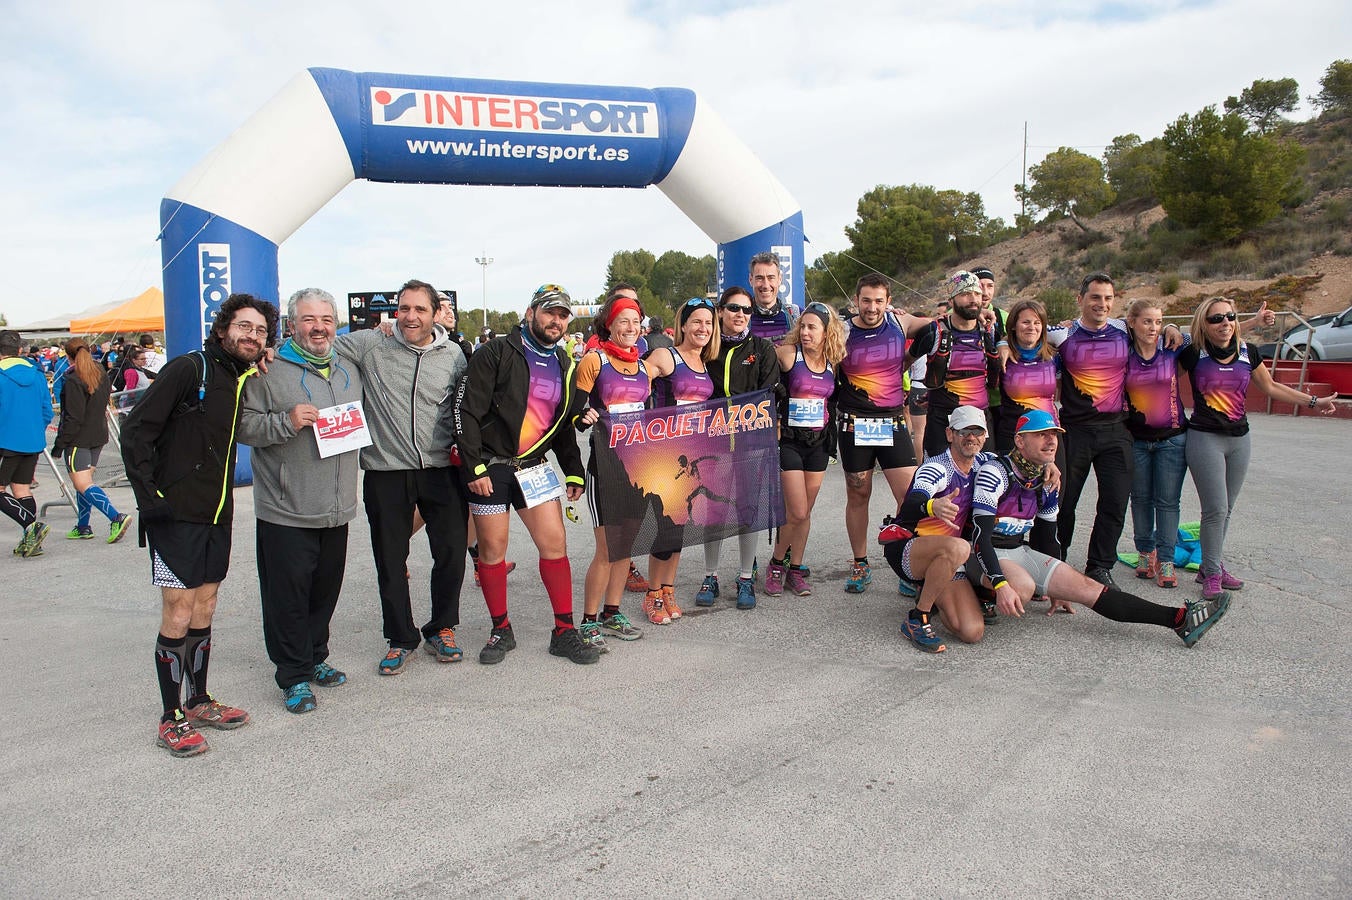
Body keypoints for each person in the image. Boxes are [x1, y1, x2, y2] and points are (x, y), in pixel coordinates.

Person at [120, 294, 275, 757]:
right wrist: (150, 500)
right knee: (179, 611)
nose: (252, 336)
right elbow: (136, 431)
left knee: (205, 607)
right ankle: (171, 719)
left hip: (217, 513)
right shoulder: (191, 368)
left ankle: (200, 699)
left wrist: (263, 357)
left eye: (261, 331)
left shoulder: (239, 373)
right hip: (175, 514)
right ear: (224, 327)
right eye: (244, 327)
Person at [967, 409, 1233, 648]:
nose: (1050, 441)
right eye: (1040, 435)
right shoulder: (996, 471)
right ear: (1020, 441)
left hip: (1016, 551)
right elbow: (980, 536)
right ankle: (980, 595)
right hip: (980, 552)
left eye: (1054, 435)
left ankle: (1178, 619)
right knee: (1023, 587)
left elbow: (1048, 538)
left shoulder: (1046, 479)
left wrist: (1053, 585)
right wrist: (1000, 584)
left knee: (1086, 587)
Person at [454, 284, 598, 665]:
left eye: (563, 315)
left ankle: (564, 632)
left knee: (555, 544)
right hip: (491, 468)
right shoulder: (496, 352)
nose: (556, 321)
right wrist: (474, 466)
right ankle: (501, 628)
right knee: (492, 551)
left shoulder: (565, 365)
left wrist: (574, 471)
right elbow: (467, 411)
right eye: (550, 312)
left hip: (534, 469)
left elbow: (562, 423)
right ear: (531, 311)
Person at [331, 278, 470, 676]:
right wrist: (273, 352)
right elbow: (318, 346)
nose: (410, 316)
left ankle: (442, 627)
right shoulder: (372, 344)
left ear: (434, 314)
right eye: (404, 309)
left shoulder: (454, 355)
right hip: (386, 470)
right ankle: (400, 637)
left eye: (419, 309)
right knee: (390, 559)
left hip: (440, 469)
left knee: (451, 552)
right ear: (395, 312)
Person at [239, 288, 361, 713]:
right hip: (286, 508)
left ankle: (315, 659)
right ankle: (292, 676)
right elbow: (244, 427)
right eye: (309, 320)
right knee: (286, 597)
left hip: (337, 506)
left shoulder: (347, 366)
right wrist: (286, 422)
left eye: (326, 319)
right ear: (292, 325)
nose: (319, 327)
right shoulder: (266, 371)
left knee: (324, 592)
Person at [1178, 296, 1337, 601]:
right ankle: (1211, 573)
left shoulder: (1247, 352)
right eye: (1216, 319)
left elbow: (1272, 387)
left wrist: (1314, 402)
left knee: (1227, 510)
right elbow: (1160, 376)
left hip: (1240, 440)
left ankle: (1210, 565)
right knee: (1216, 509)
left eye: (1230, 316)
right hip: (1204, 438)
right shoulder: (1193, 353)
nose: (1225, 323)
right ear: (1203, 324)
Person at [1044, 273, 1183, 587]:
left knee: (1115, 503)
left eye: (1108, 298)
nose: (1102, 304)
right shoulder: (1062, 335)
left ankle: (1099, 567)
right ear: (1080, 300)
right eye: (1095, 297)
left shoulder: (1123, 328)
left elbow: (1158, 329)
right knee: (1063, 503)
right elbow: (1020, 332)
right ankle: (1056, 564)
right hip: (1075, 431)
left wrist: (1172, 327)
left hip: (1115, 430)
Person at [835, 274, 931, 594]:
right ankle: (860, 564)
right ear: (856, 300)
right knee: (858, 495)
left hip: (891, 421)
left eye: (879, 301)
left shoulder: (900, 323)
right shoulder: (843, 328)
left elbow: (935, 325)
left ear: (888, 302)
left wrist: (911, 357)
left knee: (910, 497)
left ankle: (909, 565)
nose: (872, 307)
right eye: (866, 300)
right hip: (855, 423)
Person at [573, 294, 656, 644]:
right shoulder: (594, 360)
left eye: (636, 322)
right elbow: (574, 414)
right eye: (623, 321)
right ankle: (589, 620)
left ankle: (612, 612)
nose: (630, 328)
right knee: (608, 548)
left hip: (637, 468)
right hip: (604, 466)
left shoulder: (644, 367)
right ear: (609, 324)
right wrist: (583, 417)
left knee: (628, 545)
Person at [697, 286, 780, 610]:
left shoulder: (761, 348)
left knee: (747, 513)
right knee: (714, 512)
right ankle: (711, 575)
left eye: (747, 311)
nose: (740, 315)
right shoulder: (707, 348)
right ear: (720, 311)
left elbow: (768, 394)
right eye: (733, 308)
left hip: (750, 443)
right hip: (713, 443)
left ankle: (745, 577)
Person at [883, 406, 991, 653]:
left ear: (985, 436)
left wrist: (1049, 466)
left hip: (949, 556)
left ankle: (931, 589)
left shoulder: (985, 463)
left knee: (971, 631)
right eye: (964, 431)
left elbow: (1018, 462)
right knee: (959, 547)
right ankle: (917, 617)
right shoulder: (937, 467)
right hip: (909, 548)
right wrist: (932, 506)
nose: (971, 438)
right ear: (950, 434)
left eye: (977, 431)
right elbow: (911, 503)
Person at [642, 297, 720, 615]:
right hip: (664, 457)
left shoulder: (704, 363)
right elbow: (633, 382)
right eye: (697, 322)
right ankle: (652, 594)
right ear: (683, 325)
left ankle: (668, 589)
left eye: (708, 323)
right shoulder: (666, 355)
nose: (703, 328)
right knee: (666, 526)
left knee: (681, 525)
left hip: (693, 457)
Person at [765, 302, 846, 596]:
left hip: (818, 443)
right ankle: (776, 564)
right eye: (803, 326)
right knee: (796, 511)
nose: (806, 332)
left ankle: (795, 569)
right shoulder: (789, 354)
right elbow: (763, 366)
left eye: (813, 327)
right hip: (789, 440)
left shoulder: (832, 362)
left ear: (827, 333)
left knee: (806, 511)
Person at [1123, 299, 1189, 588]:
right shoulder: (1122, 353)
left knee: (1167, 501)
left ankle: (1166, 559)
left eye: (1159, 322)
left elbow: (1206, 337)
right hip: (1136, 440)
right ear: (1132, 322)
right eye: (1147, 321)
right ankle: (1144, 552)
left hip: (1172, 440)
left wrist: (1175, 328)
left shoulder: (1173, 349)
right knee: (1139, 499)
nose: (1154, 327)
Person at [906, 271, 1000, 459]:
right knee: (939, 481)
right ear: (951, 300)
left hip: (980, 419)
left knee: (983, 480)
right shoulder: (935, 331)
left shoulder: (989, 330)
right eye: (965, 294)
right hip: (943, 421)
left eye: (977, 294)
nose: (973, 299)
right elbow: (903, 362)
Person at [52, 338, 133, 543]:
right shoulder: (100, 373)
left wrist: (60, 444)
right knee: (85, 482)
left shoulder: (72, 379)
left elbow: (73, 417)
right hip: (98, 434)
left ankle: (116, 517)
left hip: (78, 438)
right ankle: (83, 525)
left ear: (68, 356)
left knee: (83, 483)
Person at [0, 330, 55, 558]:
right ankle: (31, 541)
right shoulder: (38, 374)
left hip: (6, 441)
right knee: (21, 489)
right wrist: (33, 429)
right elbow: (47, 410)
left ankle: (31, 526)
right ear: (20, 350)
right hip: (32, 440)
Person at [995, 299, 1061, 455]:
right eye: (1025, 322)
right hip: (1013, 435)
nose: (1032, 327)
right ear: (1013, 325)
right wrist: (1002, 344)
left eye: (1037, 322)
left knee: (1055, 480)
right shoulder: (1003, 356)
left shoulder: (1054, 355)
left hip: (1049, 433)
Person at [746, 251, 800, 345]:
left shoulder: (796, 315)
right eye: (759, 278)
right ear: (751, 280)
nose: (766, 285)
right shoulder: (742, 317)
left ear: (779, 279)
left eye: (771, 277)